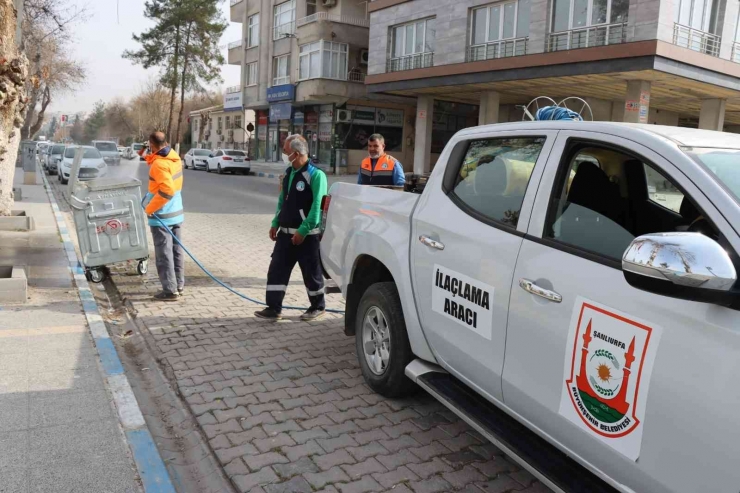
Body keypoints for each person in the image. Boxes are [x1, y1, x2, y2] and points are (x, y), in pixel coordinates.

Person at [255, 134, 328, 321]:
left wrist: (303, 231)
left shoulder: (316, 175)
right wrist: (275, 222)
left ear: (296, 153)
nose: (284, 154)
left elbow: (317, 207)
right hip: (285, 234)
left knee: (311, 273)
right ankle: (273, 308)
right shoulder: (289, 173)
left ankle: (317, 307)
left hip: (306, 236)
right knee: (277, 270)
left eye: (286, 152)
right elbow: (282, 201)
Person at [141, 131, 185, 302]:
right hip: (176, 212)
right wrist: (148, 153)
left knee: (164, 253)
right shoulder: (173, 157)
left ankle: (169, 290)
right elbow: (152, 160)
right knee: (176, 251)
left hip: (162, 214)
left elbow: (167, 190)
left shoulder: (159, 164)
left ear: (152, 144)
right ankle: (179, 285)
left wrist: (150, 208)